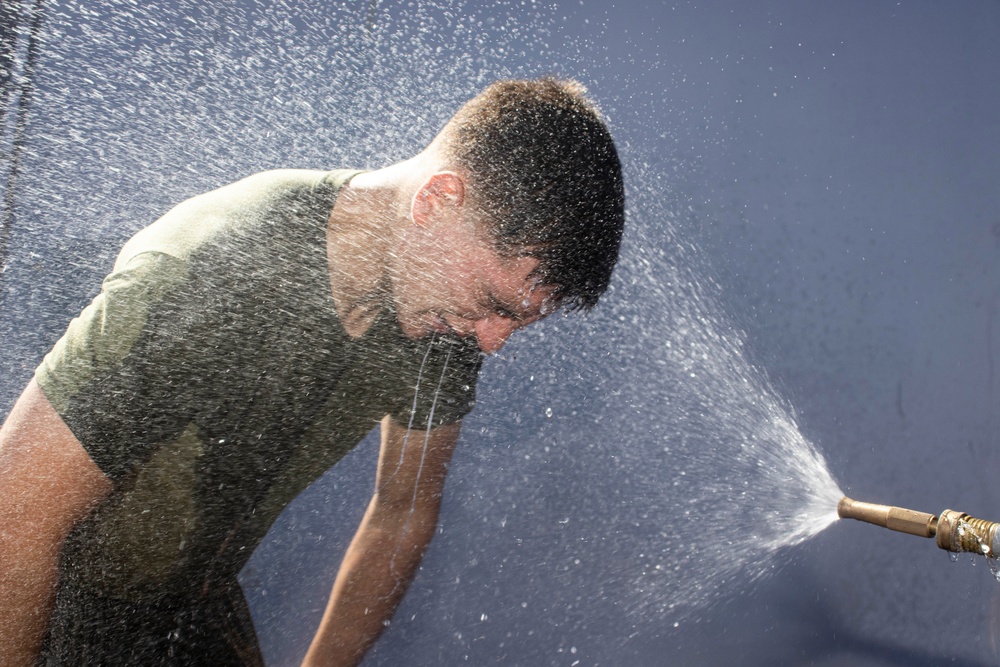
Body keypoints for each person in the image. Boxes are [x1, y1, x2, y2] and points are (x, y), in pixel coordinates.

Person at [0, 78, 625, 666]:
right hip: (46, 607)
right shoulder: (214, 266)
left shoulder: (443, 320)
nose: (492, 342)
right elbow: (15, 516)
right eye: (496, 306)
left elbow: (403, 509)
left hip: (193, 611)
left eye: (518, 323)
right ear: (437, 200)